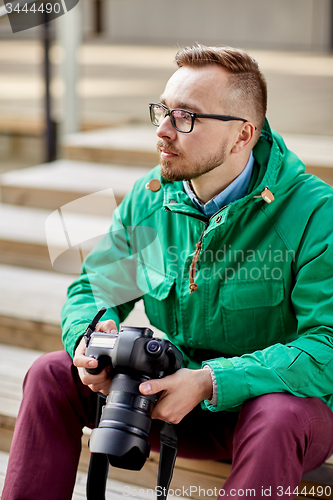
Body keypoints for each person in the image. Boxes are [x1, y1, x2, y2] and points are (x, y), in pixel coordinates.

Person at [3, 44, 333, 500]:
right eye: (163, 110)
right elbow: (96, 287)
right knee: (51, 374)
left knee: (275, 414)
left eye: (186, 117)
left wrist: (211, 380)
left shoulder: (316, 213)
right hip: (169, 400)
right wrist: (92, 342)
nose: (162, 130)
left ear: (242, 136)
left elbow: (327, 346)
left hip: (271, 418)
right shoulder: (152, 197)